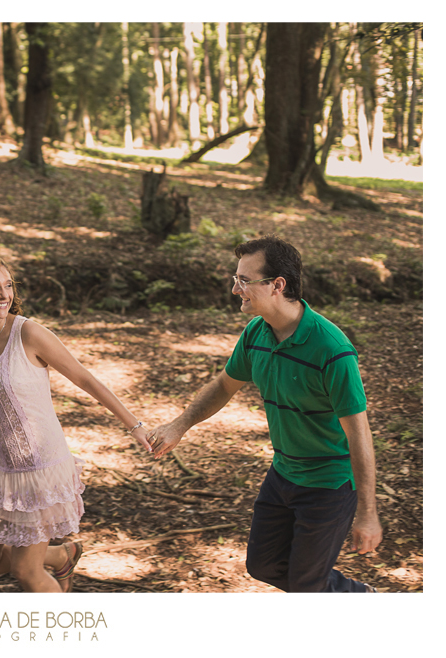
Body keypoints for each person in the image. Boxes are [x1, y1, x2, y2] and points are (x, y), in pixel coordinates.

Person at [143, 235, 383, 593]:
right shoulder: (257, 333)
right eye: (235, 279)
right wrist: (180, 425)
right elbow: (224, 385)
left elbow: (359, 435)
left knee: (305, 584)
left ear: (277, 285)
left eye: (244, 280)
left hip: (328, 484)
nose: (236, 289)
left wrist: (367, 512)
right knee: (263, 564)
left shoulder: (331, 350)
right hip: (284, 472)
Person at [0, 255, 151, 592]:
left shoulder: (28, 333)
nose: (3, 295)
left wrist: (135, 425)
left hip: (41, 467)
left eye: (8, 286)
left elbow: (86, 379)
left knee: (26, 572)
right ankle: (61, 556)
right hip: (4, 469)